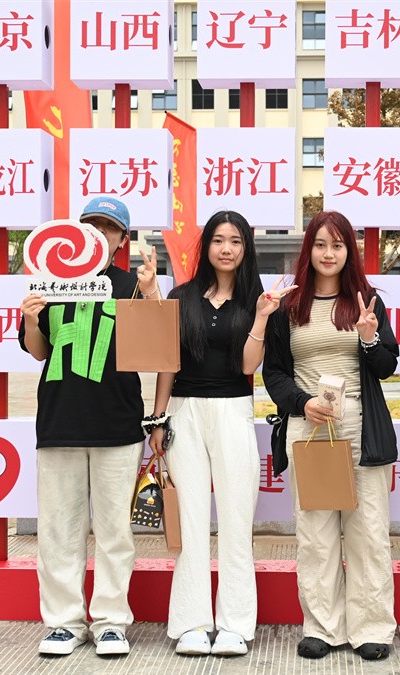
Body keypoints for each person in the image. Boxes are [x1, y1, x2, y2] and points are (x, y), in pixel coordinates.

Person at [148, 211, 295, 657]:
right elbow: (167, 362)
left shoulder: (257, 299)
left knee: (235, 520)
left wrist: (262, 317)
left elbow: (249, 366)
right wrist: (158, 419)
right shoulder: (182, 296)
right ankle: (192, 622)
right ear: (206, 247)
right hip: (184, 412)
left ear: (246, 248)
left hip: (233, 411)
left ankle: (234, 624)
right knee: (191, 521)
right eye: (218, 240)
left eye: (235, 241)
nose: (226, 249)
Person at [19, 196, 158, 657]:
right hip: (59, 421)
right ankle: (64, 622)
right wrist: (32, 319)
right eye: (91, 225)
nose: (99, 233)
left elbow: (153, 351)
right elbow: (39, 351)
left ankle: (111, 622)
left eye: (109, 227)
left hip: (117, 423)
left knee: (115, 530)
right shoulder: (49, 281)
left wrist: (151, 295)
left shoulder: (132, 285)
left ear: (122, 239)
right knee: (59, 529)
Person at [263, 211, 399, 661]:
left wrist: (369, 338)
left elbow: (386, 366)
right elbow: (274, 373)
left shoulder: (366, 301)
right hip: (309, 426)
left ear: (349, 252)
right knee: (315, 531)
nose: (328, 253)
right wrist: (302, 403)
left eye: (338, 245)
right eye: (320, 244)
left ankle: (371, 626)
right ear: (309, 249)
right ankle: (322, 627)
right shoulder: (289, 306)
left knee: (368, 529)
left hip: (360, 425)